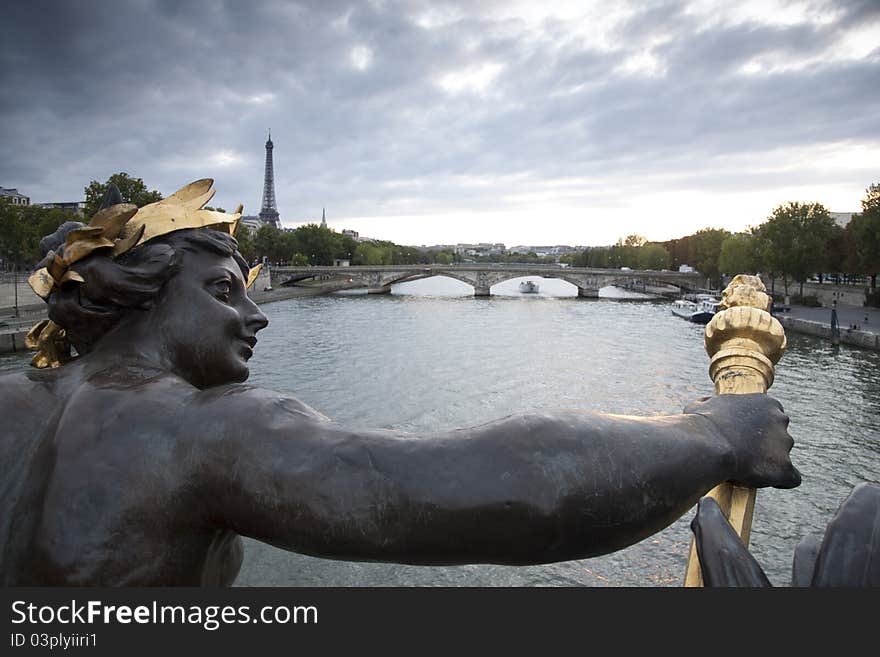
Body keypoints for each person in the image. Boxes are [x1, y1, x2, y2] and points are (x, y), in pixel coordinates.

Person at [0, 181, 800, 586]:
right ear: (145, 292)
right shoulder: (197, 431)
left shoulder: (13, 401)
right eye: (223, 289)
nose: (256, 312)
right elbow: (522, 490)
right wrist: (713, 432)